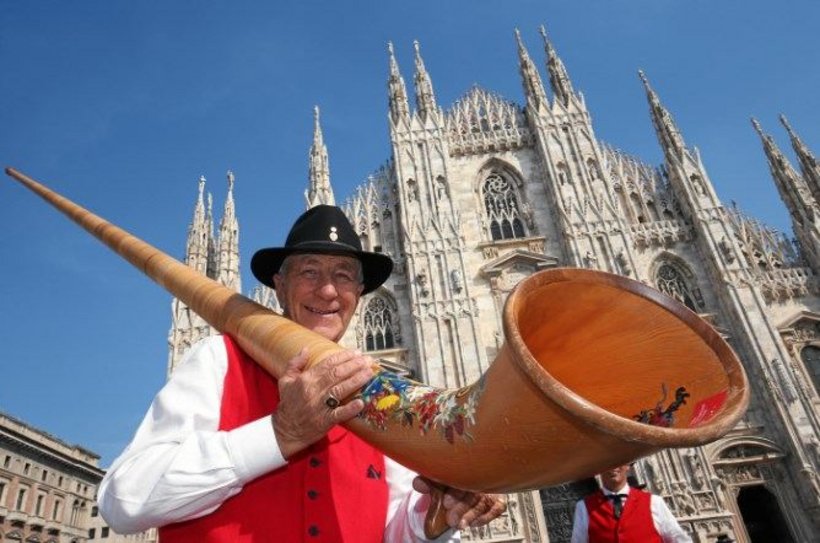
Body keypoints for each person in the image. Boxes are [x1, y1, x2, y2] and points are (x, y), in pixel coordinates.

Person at [98, 204, 506, 542]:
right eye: (310, 271)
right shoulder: (220, 359)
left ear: (359, 294)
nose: (327, 290)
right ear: (279, 286)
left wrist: (434, 519)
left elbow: (390, 528)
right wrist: (279, 434)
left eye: (343, 275)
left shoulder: (380, 392)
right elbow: (124, 501)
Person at [570, 464, 692, 543]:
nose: (613, 467)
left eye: (618, 461)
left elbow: (679, 539)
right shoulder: (584, 507)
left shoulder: (654, 502)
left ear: (628, 465)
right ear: (599, 469)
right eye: (607, 463)